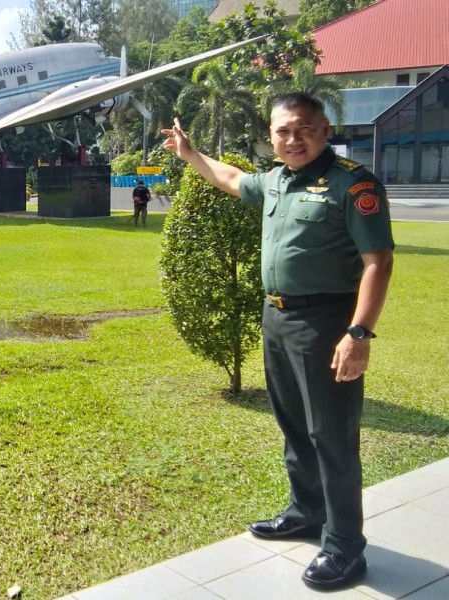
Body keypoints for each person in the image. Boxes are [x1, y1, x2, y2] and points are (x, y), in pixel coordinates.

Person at [161, 92, 394, 591]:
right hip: (277, 318)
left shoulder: (353, 185)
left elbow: (378, 261)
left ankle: (346, 548)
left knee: (331, 437)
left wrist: (358, 333)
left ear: (325, 130)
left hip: (328, 324)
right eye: (283, 131)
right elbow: (228, 178)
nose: (293, 139)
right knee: (293, 427)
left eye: (304, 129)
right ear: (271, 136)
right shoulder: (276, 181)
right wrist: (189, 154)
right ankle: (307, 512)